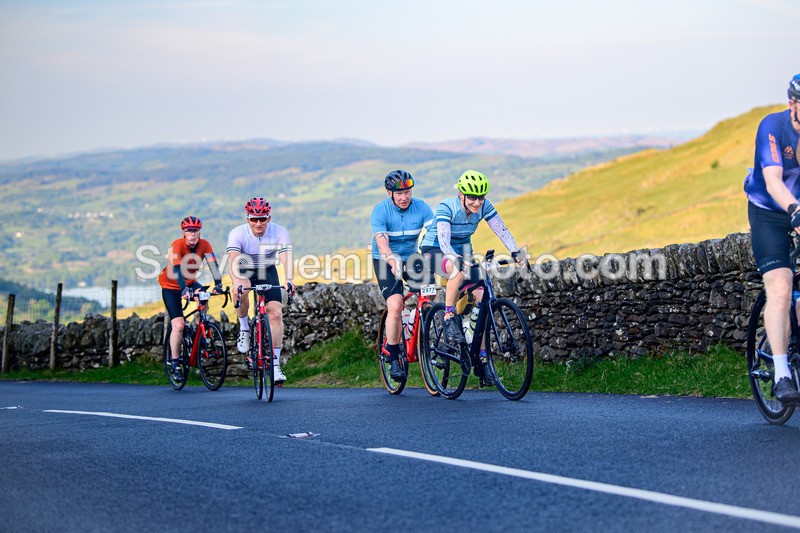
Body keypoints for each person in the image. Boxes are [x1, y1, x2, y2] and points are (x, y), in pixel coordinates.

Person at [420, 170, 525, 387]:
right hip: (435, 249)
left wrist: (515, 251)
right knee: (457, 272)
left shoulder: (484, 207)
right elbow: (444, 241)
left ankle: (482, 358)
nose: (477, 203)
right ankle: (449, 317)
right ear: (461, 194)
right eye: (472, 198)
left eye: (481, 198)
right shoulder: (447, 207)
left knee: (481, 296)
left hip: (463, 249)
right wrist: (454, 259)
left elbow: (501, 230)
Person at [743, 74, 800, 404]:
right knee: (780, 286)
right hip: (769, 212)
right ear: (793, 104)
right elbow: (774, 180)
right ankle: (781, 374)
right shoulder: (773, 128)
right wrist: (795, 210)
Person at [370, 170, 434, 382]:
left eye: (407, 192)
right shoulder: (381, 211)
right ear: (390, 193)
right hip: (385, 259)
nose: (404, 197)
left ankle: (416, 325)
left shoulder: (422, 207)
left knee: (429, 294)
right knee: (396, 304)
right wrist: (392, 260)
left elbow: (434, 234)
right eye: (399, 194)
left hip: (412, 258)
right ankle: (393, 353)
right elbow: (382, 244)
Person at [227, 197, 295, 384]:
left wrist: (289, 279)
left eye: (262, 219)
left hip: (267, 270)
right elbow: (232, 260)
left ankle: (275, 365)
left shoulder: (279, 231)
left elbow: (286, 256)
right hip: (245, 269)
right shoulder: (238, 233)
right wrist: (236, 282)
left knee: (276, 314)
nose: (258, 223)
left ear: (269, 218)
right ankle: (244, 328)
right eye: (254, 219)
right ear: (247, 219)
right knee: (240, 291)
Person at [158, 216, 223, 381]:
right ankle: (175, 363)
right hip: (171, 287)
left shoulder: (205, 244)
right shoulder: (177, 245)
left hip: (190, 282)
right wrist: (184, 289)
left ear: (200, 232)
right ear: (183, 233)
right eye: (189, 231)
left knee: (204, 296)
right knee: (179, 325)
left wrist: (219, 284)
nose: (193, 234)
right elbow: (177, 270)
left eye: (195, 231)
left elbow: (213, 265)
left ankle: (199, 328)